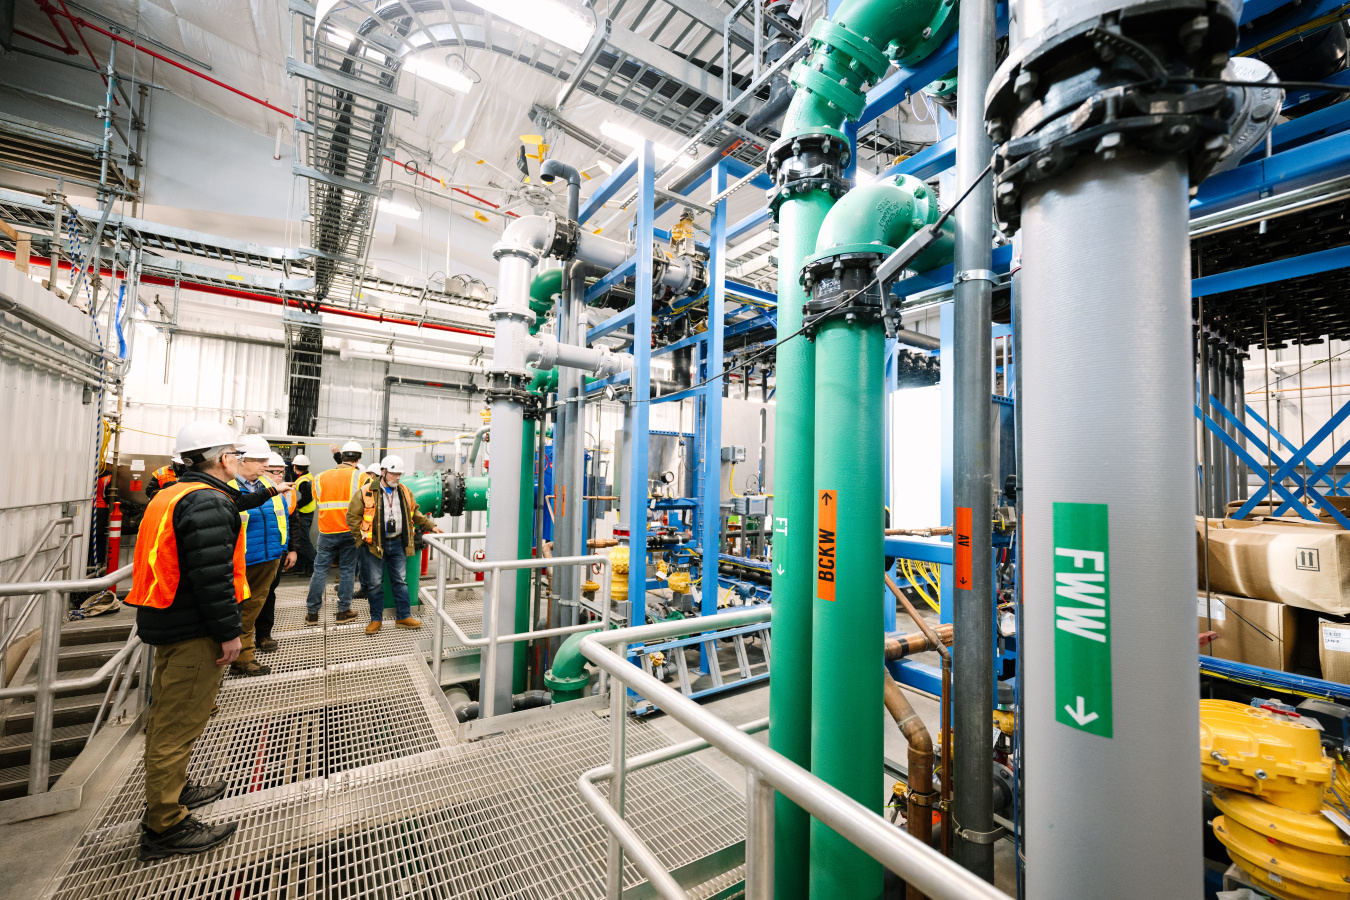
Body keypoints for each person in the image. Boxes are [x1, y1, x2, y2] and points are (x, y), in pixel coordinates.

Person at [125, 420, 247, 862]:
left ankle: (175, 791)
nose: (238, 458)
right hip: (194, 630)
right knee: (178, 726)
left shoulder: (171, 494)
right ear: (220, 458)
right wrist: (230, 633)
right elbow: (212, 578)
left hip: (169, 621)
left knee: (168, 717)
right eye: (234, 451)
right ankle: (165, 825)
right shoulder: (209, 502)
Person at [347, 454, 441, 634]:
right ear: (383, 472)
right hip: (374, 546)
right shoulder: (367, 491)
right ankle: (376, 620)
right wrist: (361, 540)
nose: (397, 477)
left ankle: (403, 617)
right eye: (393, 474)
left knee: (400, 582)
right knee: (375, 584)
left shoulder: (404, 491)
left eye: (399, 474)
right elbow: (352, 517)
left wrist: (431, 525)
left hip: (398, 543)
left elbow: (415, 513)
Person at [227, 437, 295, 676]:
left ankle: (243, 657)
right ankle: (222, 661)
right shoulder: (228, 486)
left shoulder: (268, 484)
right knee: (230, 613)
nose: (265, 465)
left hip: (269, 558)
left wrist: (284, 548)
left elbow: (283, 517)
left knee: (252, 610)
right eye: (260, 460)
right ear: (241, 459)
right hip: (238, 561)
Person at [306, 440, 365, 625]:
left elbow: (316, 497)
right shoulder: (362, 478)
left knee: (320, 570)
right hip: (350, 531)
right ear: (359, 458)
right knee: (347, 571)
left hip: (326, 531)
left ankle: (312, 613)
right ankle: (343, 611)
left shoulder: (320, 477)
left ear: (343, 456)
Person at [254, 453, 299, 653]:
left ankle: (263, 635)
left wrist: (291, 550)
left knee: (268, 595)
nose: (280, 476)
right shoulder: (244, 492)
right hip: (249, 556)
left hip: (275, 554)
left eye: (282, 472)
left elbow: (290, 522)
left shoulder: (283, 495)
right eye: (275, 472)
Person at [290, 454, 317, 576]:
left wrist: (295, 507)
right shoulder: (308, 477)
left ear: (295, 467)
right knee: (300, 541)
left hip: (303, 514)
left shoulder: (302, 481)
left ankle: (312, 565)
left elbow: (306, 498)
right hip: (308, 513)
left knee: (304, 540)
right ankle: (300, 566)